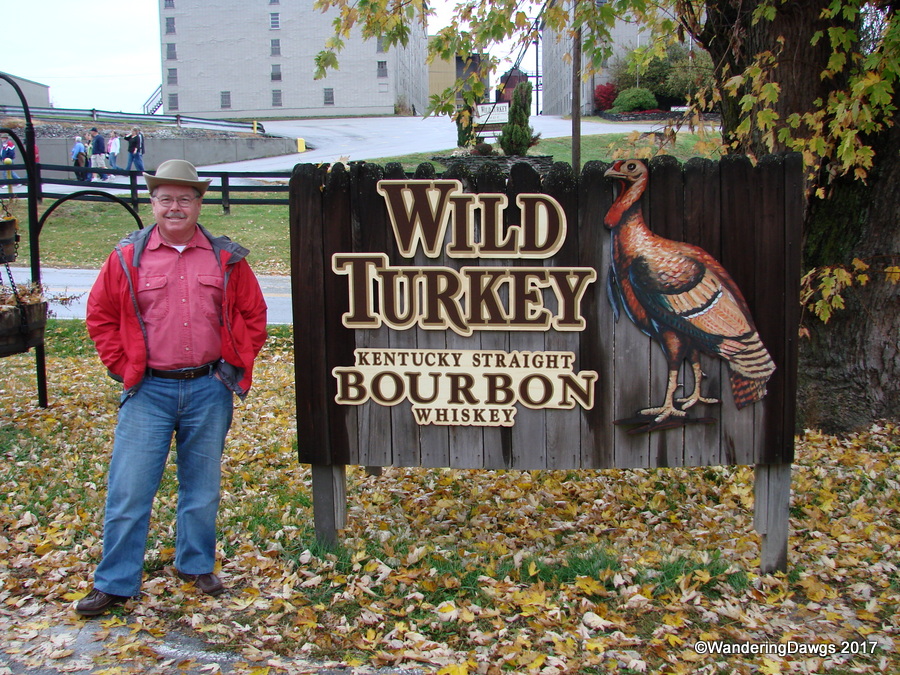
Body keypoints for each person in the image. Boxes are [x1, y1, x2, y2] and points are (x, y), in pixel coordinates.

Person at [77, 159, 268, 617]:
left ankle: (195, 564)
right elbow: (100, 316)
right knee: (130, 489)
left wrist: (233, 366)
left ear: (199, 203)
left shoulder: (226, 258)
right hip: (149, 392)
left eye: (185, 198)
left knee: (202, 486)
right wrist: (123, 367)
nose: (175, 206)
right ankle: (116, 581)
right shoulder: (127, 257)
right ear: (153, 202)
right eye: (166, 198)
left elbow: (253, 316)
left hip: (209, 388)